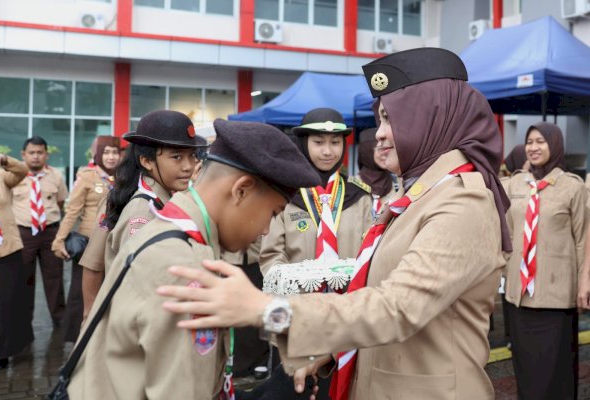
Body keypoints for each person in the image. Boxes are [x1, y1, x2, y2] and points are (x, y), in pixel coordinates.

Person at [156, 47, 511, 400]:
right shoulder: (424, 194)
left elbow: (397, 307)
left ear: (431, 118)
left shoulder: (461, 201)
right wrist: (329, 351)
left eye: (392, 119)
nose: (382, 134)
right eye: (380, 119)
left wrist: (267, 310)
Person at [65, 119, 321, 399]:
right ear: (241, 190)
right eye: (273, 213)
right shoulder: (184, 266)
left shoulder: (172, 233)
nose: (265, 230)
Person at [77, 110, 208, 321]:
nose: (188, 166)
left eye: (192, 156)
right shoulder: (144, 209)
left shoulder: (171, 196)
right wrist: (90, 318)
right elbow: (97, 265)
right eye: (176, 157)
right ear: (147, 161)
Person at [503, 122, 588, 400]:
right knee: (526, 371)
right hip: (519, 296)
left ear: (555, 145)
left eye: (541, 141)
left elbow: (583, 240)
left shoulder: (572, 187)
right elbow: (506, 231)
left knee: (556, 370)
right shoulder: (516, 184)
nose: (534, 147)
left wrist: (584, 284)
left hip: (556, 296)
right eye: (529, 142)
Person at [259, 107, 373, 275]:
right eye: (318, 142)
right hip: (299, 298)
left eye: (335, 142)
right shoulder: (283, 194)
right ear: (304, 144)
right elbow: (271, 255)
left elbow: (369, 252)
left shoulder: (359, 197)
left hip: (349, 299)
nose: (327, 151)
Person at [51, 136, 121, 342]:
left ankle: (108, 335)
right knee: (80, 294)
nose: (111, 157)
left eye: (115, 152)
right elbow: (72, 211)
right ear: (98, 154)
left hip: (116, 243)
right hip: (89, 243)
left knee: (112, 288)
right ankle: (78, 338)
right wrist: (59, 240)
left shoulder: (125, 176)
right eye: (106, 152)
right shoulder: (87, 177)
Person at [12, 136, 69, 328]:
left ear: (46, 154)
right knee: (24, 278)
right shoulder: (13, 176)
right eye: (31, 153)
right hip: (23, 234)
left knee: (54, 278)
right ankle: (23, 321)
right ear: (23, 155)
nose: (36, 157)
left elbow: (60, 202)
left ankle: (59, 319)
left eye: (40, 152)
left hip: (49, 233)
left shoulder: (56, 176)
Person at [0, 154, 33, 369]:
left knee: (2, 303)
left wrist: (4, 161)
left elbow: (23, 171)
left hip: (5, 249)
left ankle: (0, 352)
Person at [357, 127, 399, 217]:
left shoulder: (399, 185)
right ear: (367, 151)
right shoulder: (350, 187)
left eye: (387, 149)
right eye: (380, 149)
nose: (385, 154)